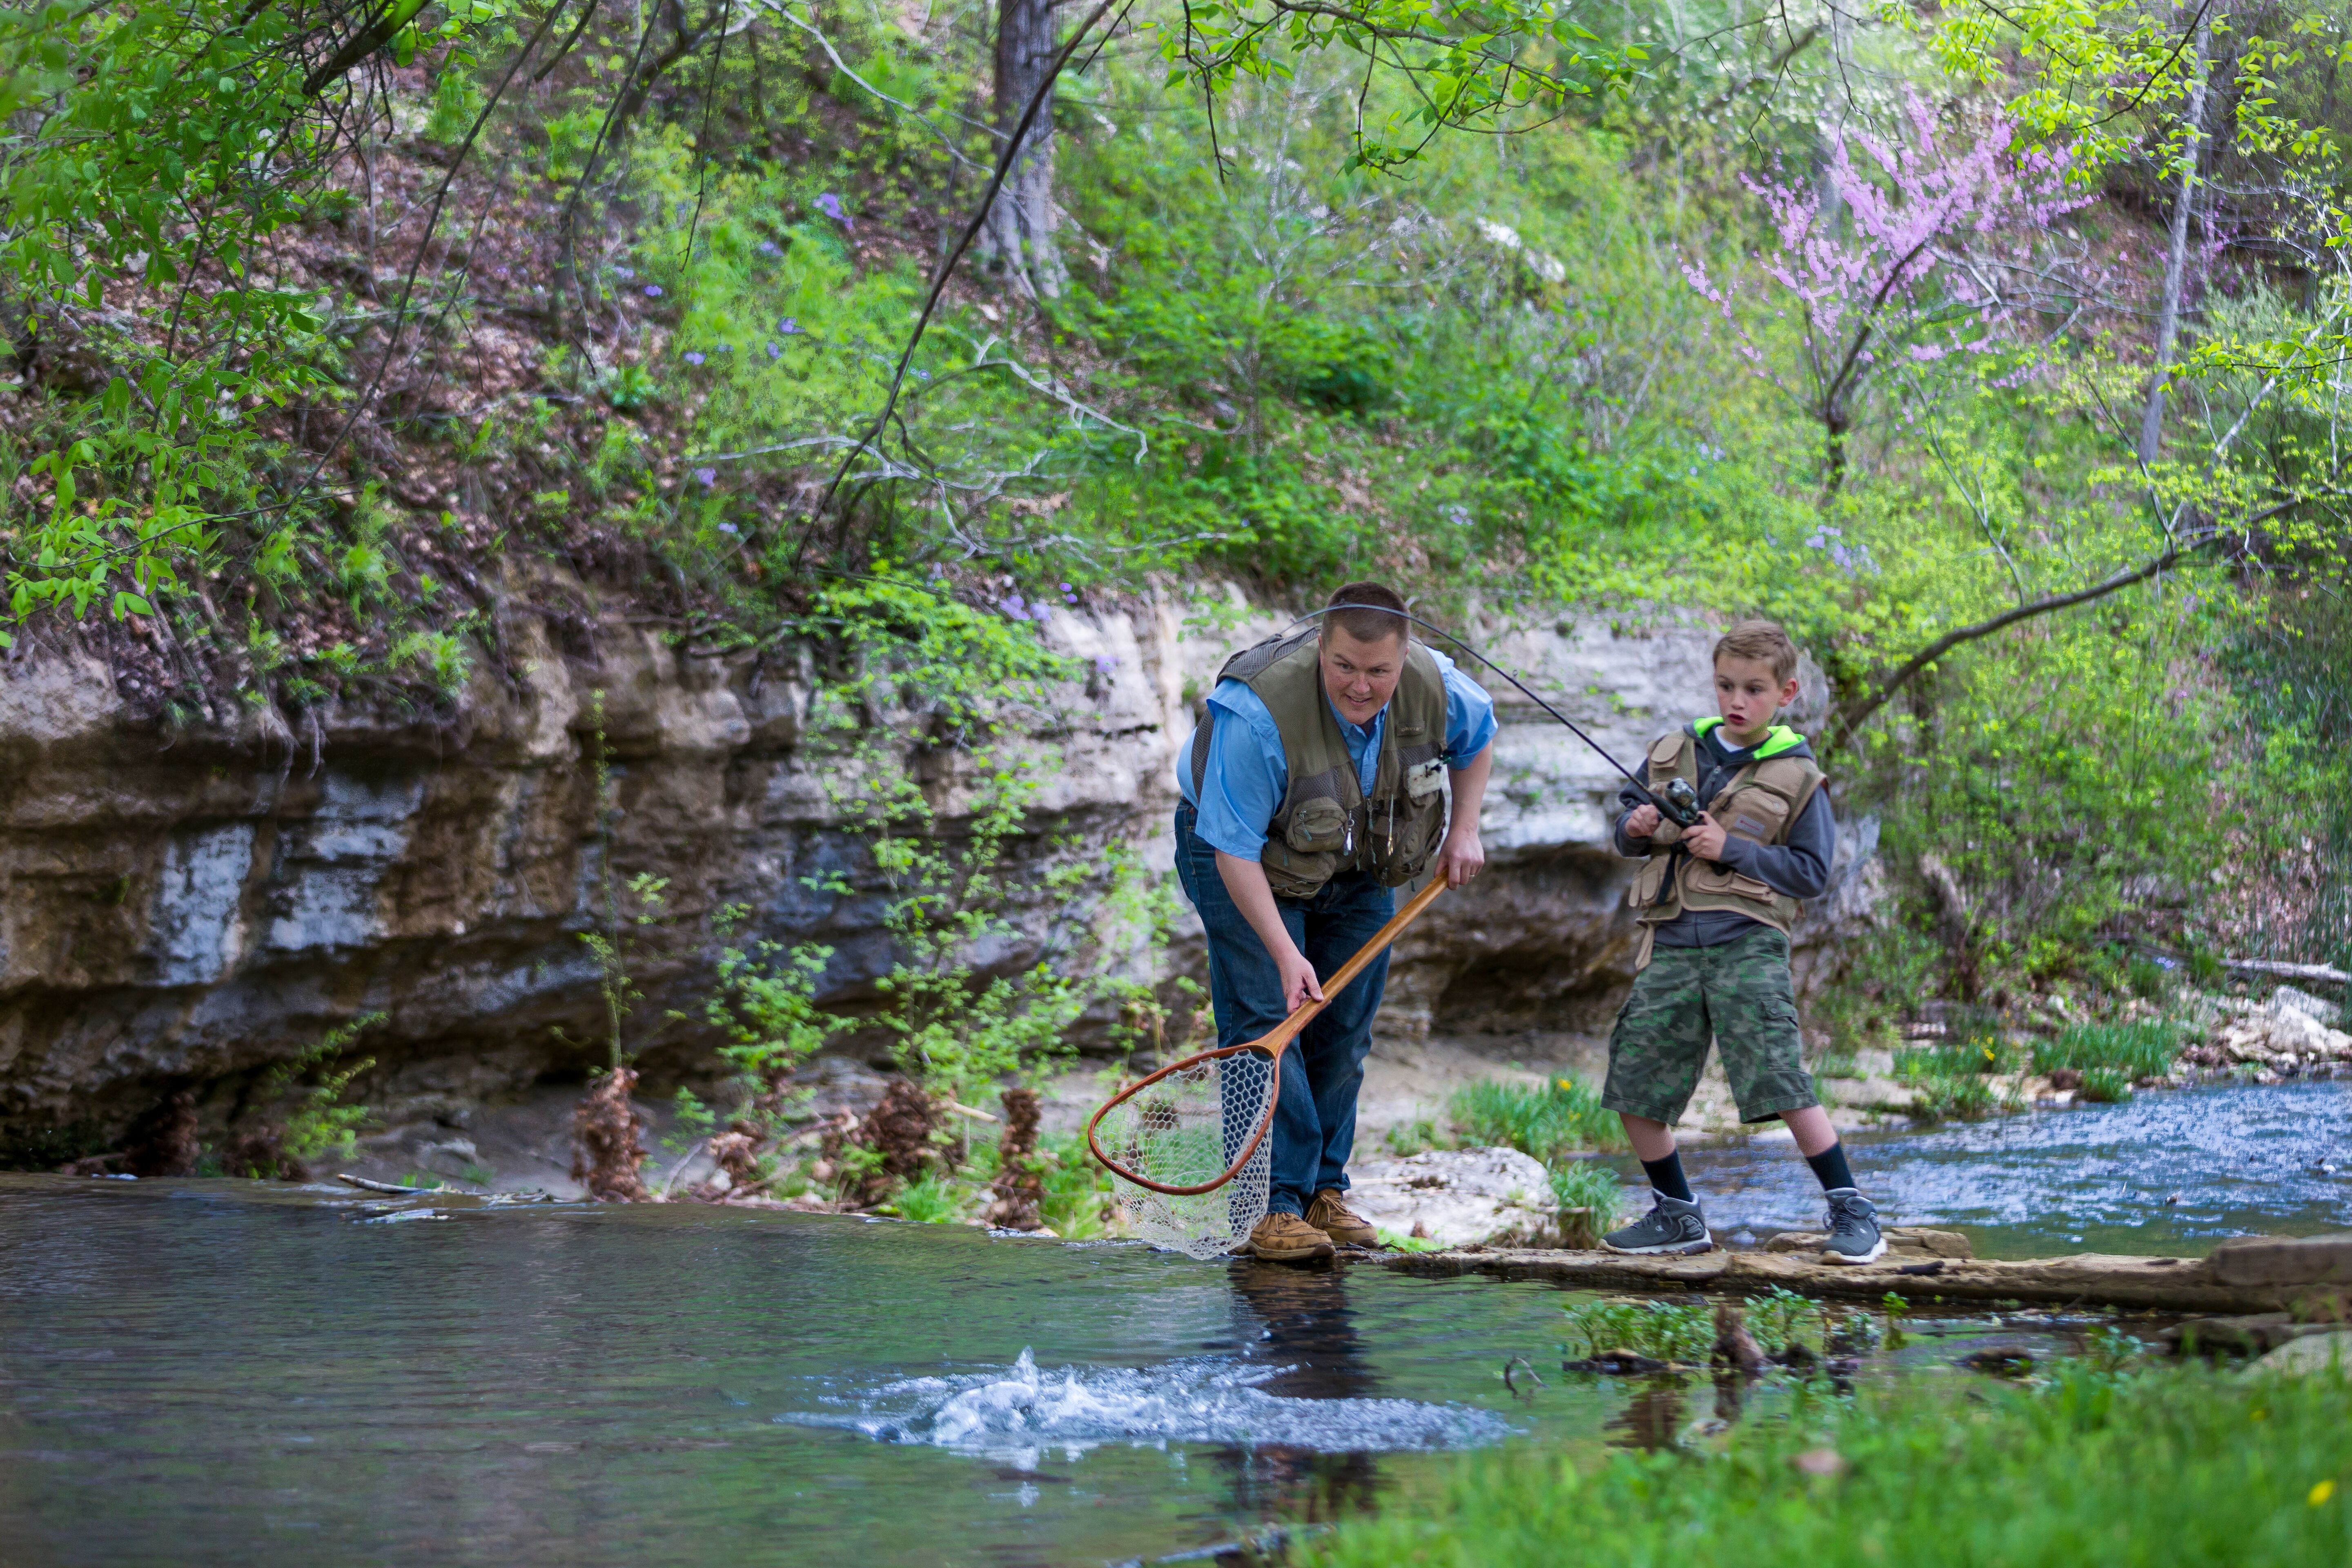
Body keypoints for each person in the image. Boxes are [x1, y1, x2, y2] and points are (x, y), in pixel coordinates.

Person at [1175, 581, 1497, 1262]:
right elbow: (1233, 848)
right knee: (1268, 1020)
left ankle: (1324, 1191)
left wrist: (1464, 830)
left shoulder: (1438, 685)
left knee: (1345, 1026)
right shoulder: (1258, 711)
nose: (1361, 686)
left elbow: (1479, 738)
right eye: (1345, 666)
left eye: (1379, 671)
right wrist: (1285, 955)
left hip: (1356, 855)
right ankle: (1269, 1207)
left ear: (1405, 657)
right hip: (1239, 852)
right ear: (1322, 647)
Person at [1598, 619, 1885, 1265]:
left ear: (1786, 693)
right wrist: (1636, 825)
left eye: (1755, 689)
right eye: (1727, 686)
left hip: (1747, 947)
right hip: (1669, 943)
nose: (1737, 700)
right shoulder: (1675, 750)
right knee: (1634, 1085)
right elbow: (1622, 833)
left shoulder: (1799, 776)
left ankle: (1853, 1211)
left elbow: (1812, 873)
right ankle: (1678, 1217)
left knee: (1781, 1082)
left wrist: (1735, 851)